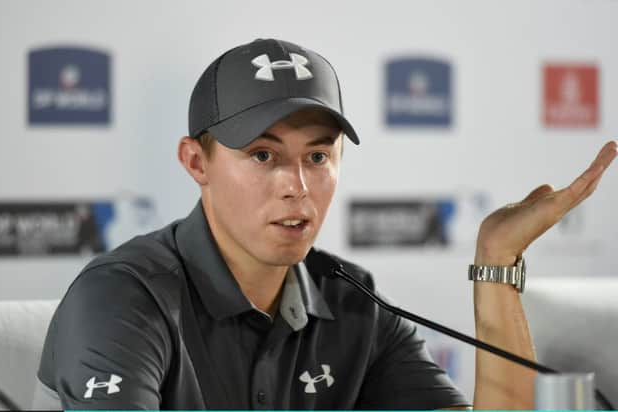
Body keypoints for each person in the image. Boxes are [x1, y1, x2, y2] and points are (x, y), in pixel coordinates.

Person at [33, 38, 617, 410]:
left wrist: (496, 259)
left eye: (318, 156)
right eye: (263, 156)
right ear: (195, 162)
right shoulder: (121, 297)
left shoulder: (352, 299)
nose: (298, 184)